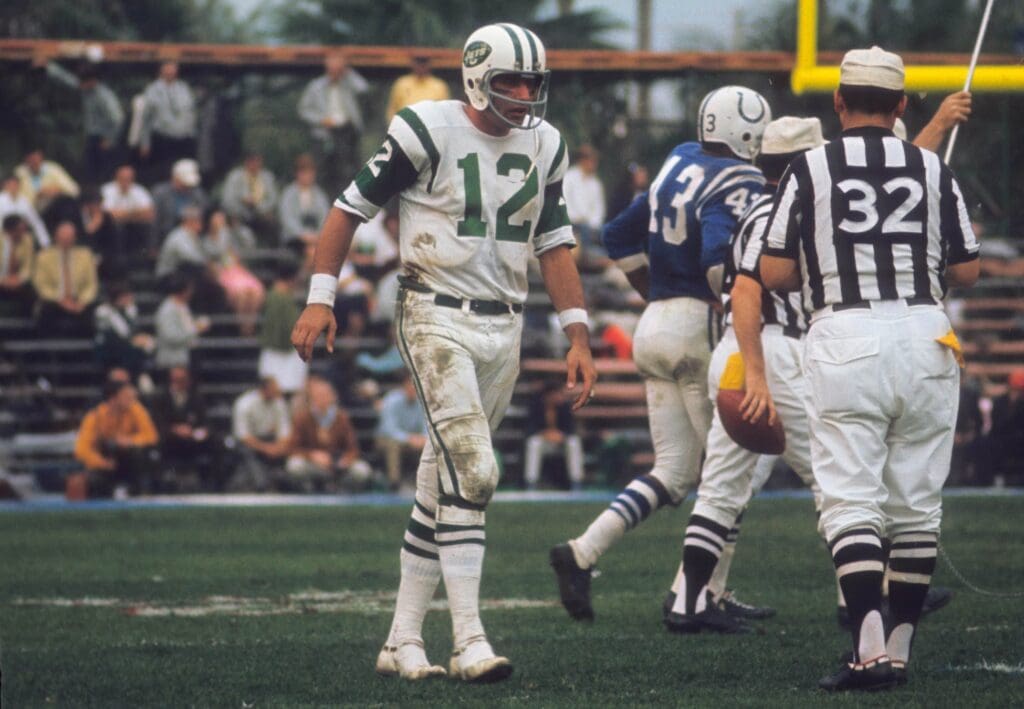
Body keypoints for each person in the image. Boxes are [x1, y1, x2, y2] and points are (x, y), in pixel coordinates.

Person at [291, 23, 596, 683]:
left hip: (505, 325)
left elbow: (553, 242)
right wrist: (320, 298)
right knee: (476, 474)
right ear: (477, 79)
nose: (524, 94)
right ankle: (469, 640)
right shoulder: (426, 128)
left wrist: (577, 333)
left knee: (441, 483)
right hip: (433, 312)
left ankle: (401, 639)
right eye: (511, 81)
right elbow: (348, 209)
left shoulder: (546, 143)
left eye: (531, 82)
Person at [759, 47, 980, 691]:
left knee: (851, 499)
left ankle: (869, 650)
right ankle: (900, 650)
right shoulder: (933, 167)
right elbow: (967, 270)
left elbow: (773, 270)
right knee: (916, 504)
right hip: (927, 334)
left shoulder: (809, 166)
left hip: (844, 333)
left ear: (838, 101)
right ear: (902, 105)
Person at [550, 85, 770, 622]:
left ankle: (581, 552)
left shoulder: (679, 158)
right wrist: (731, 303)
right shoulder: (741, 177)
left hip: (654, 326)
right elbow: (717, 257)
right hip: (697, 327)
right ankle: (703, 595)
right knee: (729, 473)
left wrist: (652, 291)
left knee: (674, 472)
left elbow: (616, 235)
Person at [659, 116, 827, 636]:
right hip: (769, 351)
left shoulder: (756, 206)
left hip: (735, 349)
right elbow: (752, 291)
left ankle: (688, 603)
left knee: (721, 487)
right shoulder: (790, 210)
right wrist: (761, 372)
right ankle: (875, 595)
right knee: (834, 475)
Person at [74, 379, 159, 498]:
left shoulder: (135, 409)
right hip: (105, 462)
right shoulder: (94, 417)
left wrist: (130, 441)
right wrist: (103, 463)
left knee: (141, 455)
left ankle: (141, 495)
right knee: (94, 479)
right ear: (113, 398)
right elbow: (82, 450)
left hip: (128, 460)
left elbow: (152, 436)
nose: (132, 399)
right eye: (126, 396)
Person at [298, 52, 369, 192]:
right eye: (332, 69)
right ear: (327, 68)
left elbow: (363, 88)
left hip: (347, 133)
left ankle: (347, 201)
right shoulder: (315, 86)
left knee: (347, 172)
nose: (335, 72)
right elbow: (303, 110)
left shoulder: (349, 84)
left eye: (338, 69)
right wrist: (321, 120)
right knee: (323, 172)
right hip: (323, 133)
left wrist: (348, 72)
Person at [286, 376, 371, 492]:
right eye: (319, 395)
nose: (322, 399)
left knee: (362, 470)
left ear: (332, 397)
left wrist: (346, 460)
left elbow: (353, 448)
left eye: (325, 395)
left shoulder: (342, 418)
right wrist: (312, 455)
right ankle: (309, 489)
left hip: (337, 464)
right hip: (312, 464)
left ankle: (342, 490)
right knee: (295, 466)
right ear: (312, 398)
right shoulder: (302, 418)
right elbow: (292, 448)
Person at [46, 61, 125, 184]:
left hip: (104, 139)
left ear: (93, 81)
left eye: (83, 83)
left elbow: (118, 119)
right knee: (90, 171)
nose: (81, 86)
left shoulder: (104, 96)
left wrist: (110, 139)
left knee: (104, 173)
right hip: (91, 136)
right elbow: (68, 80)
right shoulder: (86, 88)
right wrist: (49, 66)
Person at [150, 365, 223, 491]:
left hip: (192, 437)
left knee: (217, 442)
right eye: (178, 380)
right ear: (171, 380)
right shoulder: (160, 397)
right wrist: (175, 429)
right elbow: (156, 422)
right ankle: (163, 484)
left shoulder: (196, 397)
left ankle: (213, 485)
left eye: (184, 379)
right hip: (169, 438)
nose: (181, 383)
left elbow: (205, 421)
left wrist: (203, 431)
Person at [202, 208, 265, 336]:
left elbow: (244, 246)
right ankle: (243, 329)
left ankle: (249, 327)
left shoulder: (229, 235)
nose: (220, 221)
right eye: (217, 218)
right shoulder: (206, 241)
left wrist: (236, 228)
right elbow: (210, 260)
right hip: (220, 271)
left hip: (236, 268)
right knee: (241, 294)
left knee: (255, 292)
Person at [31, 220, 99, 336]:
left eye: (69, 237)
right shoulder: (43, 257)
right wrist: (61, 300)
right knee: (46, 310)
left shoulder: (85, 255)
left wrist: (82, 301)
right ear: (56, 237)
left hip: (78, 300)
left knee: (91, 311)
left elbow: (91, 284)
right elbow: (41, 285)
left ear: (75, 238)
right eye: (63, 238)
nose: (66, 240)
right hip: (55, 301)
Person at [230, 376, 292, 492]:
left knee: (291, 447)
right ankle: (260, 483)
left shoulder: (279, 402)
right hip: (248, 442)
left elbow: (285, 432)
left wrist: (279, 446)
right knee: (247, 452)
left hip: (271, 441)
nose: (279, 393)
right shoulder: (244, 404)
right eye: (275, 390)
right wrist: (266, 448)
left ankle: (285, 482)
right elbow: (243, 436)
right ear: (265, 389)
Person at [139, 62, 197, 184]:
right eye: (167, 71)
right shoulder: (152, 90)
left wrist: (191, 134)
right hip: (162, 140)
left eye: (173, 71)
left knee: (183, 171)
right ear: (161, 72)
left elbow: (191, 113)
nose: (170, 73)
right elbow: (146, 119)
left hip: (183, 139)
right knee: (162, 173)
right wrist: (145, 143)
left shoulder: (184, 88)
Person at [522, 378, 584, 491]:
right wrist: (545, 433)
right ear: (547, 396)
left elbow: (571, 429)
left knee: (573, 442)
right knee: (533, 443)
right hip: (544, 442)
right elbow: (530, 429)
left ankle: (576, 481)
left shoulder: (565, 407)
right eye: (556, 394)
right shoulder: (536, 407)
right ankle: (531, 482)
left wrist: (562, 435)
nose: (559, 396)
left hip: (561, 443)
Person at [258, 259, 309, 395]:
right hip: (281, 354)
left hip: (280, 352)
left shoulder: (277, 296)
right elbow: (286, 328)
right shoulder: (280, 298)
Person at [375, 373, 428, 491]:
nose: (413, 389)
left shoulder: (422, 402)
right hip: (386, 438)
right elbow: (389, 429)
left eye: (416, 386)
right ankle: (394, 483)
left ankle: (427, 483)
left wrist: (423, 438)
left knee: (430, 445)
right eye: (410, 386)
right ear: (404, 386)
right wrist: (409, 438)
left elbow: (426, 426)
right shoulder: (391, 400)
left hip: (413, 439)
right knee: (393, 444)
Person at [94, 281, 154, 380]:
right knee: (133, 350)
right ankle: (138, 375)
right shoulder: (103, 312)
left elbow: (133, 331)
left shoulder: (130, 309)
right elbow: (110, 337)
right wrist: (132, 341)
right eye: (127, 296)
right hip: (109, 351)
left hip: (125, 348)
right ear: (119, 298)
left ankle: (140, 375)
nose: (131, 298)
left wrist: (139, 339)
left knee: (144, 345)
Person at [278, 154, 330, 263]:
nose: (307, 176)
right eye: (304, 173)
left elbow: (325, 217)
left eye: (310, 173)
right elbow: (287, 219)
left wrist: (317, 235)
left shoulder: (319, 194)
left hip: (316, 236)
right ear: (297, 174)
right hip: (295, 238)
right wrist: (303, 235)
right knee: (312, 252)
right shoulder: (288, 194)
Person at [154, 275, 210, 372]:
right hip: (174, 361)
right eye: (189, 289)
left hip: (188, 356)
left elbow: (185, 326)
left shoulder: (183, 305)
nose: (191, 292)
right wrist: (196, 329)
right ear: (183, 291)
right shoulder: (167, 311)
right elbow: (171, 337)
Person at [561, 144, 606, 264]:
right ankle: (588, 258)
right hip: (572, 223)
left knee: (606, 233)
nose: (593, 164)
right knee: (584, 234)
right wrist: (579, 219)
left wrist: (593, 223)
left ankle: (600, 257)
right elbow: (564, 202)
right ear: (582, 160)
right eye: (591, 160)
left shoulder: (596, 183)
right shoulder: (569, 177)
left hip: (590, 226)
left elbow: (599, 209)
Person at [221, 152, 278, 243]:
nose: (256, 165)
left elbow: (273, 199)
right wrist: (243, 201)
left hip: (260, 212)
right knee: (233, 220)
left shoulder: (267, 177)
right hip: (240, 212)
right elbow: (227, 199)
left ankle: (271, 246)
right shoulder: (235, 176)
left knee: (272, 221)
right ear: (247, 162)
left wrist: (260, 206)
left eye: (258, 162)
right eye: (253, 162)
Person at [101, 164, 156, 256]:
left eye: (129, 178)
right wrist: (136, 214)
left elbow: (150, 213)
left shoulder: (139, 190)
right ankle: (118, 257)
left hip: (135, 225)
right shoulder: (107, 190)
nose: (126, 181)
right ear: (116, 177)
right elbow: (108, 215)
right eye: (123, 178)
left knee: (149, 225)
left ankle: (147, 255)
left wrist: (124, 215)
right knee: (117, 226)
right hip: (113, 226)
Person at [152, 159, 209, 243]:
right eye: (184, 184)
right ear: (175, 178)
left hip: (192, 240)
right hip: (165, 238)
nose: (187, 187)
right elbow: (154, 223)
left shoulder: (198, 195)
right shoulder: (160, 194)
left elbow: (204, 217)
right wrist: (153, 244)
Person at [15, 148, 80, 220]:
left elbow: (74, 190)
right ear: (26, 160)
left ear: (41, 157)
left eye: (36, 158)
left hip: (55, 209)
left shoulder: (53, 169)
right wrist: (38, 195)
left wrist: (59, 190)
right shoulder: (20, 173)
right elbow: (17, 200)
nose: (34, 162)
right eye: (31, 160)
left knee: (67, 204)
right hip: (32, 213)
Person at [386, 55, 450, 122]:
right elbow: (392, 110)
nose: (421, 66)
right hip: (405, 125)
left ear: (429, 65)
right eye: (418, 63)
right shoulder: (402, 84)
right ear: (413, 64)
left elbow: (445, 112)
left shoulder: (439, 86)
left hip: (431, 125)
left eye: (424, 63)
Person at [0, 214, 36, 317]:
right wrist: (3, 281)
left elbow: (28, 266)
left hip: (17, 281)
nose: (23, 233)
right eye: (20, 230)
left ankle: (26, 321)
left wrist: (19, 279)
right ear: (10, 231)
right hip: (1, 279)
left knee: (32, 289)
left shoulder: (27, 240)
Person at [0, 174, 50, 247]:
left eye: (15, 184)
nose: (13, 187)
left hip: (20, 238)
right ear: (6, 186)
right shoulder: (1, 200)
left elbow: (36, 222)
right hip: (3, 236)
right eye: (11, 185)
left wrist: (45, 242)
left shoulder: (24, 202)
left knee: (28, 239)